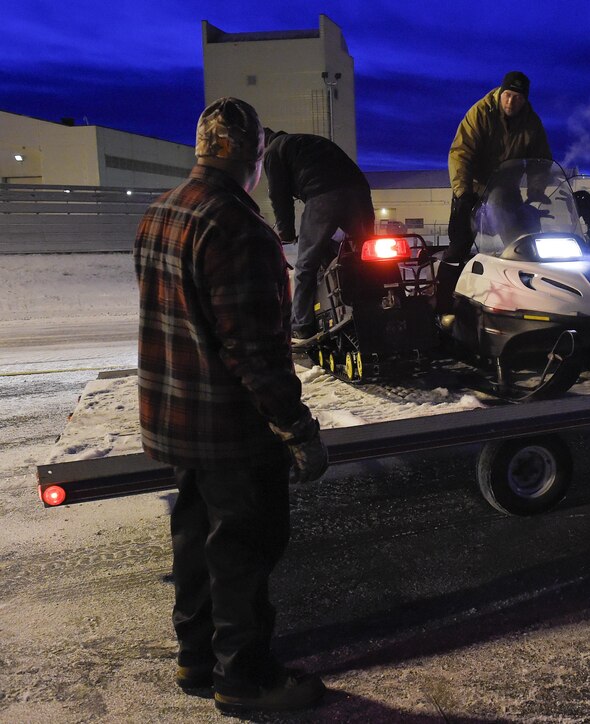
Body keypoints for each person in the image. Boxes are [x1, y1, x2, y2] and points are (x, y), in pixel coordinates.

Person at [133, 97, 328, 715]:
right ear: (253, 155)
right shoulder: (238, 227)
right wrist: (296, 428)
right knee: (243, 550)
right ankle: (245, 680)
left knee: (195, 540)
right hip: (231, 429)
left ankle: (197, 659)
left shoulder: (161, 212)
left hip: (176, 423)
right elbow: (254, 350)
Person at [441, 70, 552, 311]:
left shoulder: (531, 123)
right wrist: (463, 192)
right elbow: (461, 152)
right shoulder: (481, 112)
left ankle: (525, 299)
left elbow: (541, 159)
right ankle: (442, 301)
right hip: (473, 186)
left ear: (525, 100)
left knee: (521, 242)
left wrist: (535, 190)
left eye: (518, 98)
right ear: (501, 93)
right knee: (459, 243)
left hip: (506, 188)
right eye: (508, 95)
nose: (512, 102)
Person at [262, 129, 375, 340]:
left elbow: (279, 196)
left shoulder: (273, 150)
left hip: (324, 193)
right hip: (359, 190)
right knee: (367, 254)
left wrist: (286, 233)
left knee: (305, 265)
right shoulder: (304, 142)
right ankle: (377, 302)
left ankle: (302, 325)